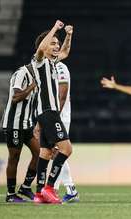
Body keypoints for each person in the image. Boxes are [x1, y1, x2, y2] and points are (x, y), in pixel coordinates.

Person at [31, 20, 74, 204]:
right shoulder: (39, 61)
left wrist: (68, 36)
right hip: (49, 111)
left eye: (57, 43)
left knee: (46, 152)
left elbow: (65, 51)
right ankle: (49, 187)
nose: (56, 46)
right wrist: (55, 29)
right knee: (66, 149)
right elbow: (41, 48)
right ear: (44, 45)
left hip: (46, 112)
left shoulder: (53, 61)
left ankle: (40, 193)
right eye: (53, 43)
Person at [1, 63, 39, 202]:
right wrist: (31, 86)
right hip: (14, 123)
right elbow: (16, 97)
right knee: (14, 157)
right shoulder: (22, 73)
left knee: (39, 153)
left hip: (27, 124)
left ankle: (26, 187)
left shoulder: (40, 75)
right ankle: (11, 194)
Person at [52, 61, 79, 203]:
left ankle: (70, 189)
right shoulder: (45, 66)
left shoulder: (60, 67)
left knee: (59, 152)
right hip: (53, 115)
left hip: (60, 116)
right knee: (56, 153)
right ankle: (55, 190)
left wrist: (54, 116)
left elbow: (62, 95)